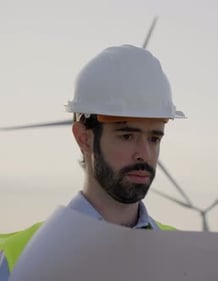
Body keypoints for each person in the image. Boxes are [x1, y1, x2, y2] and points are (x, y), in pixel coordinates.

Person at [0, 44, 185, 279]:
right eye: (127, 136)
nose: (144, 154)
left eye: (154, 138)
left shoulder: (180, 255)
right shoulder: (21, 258)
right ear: (83, 138)